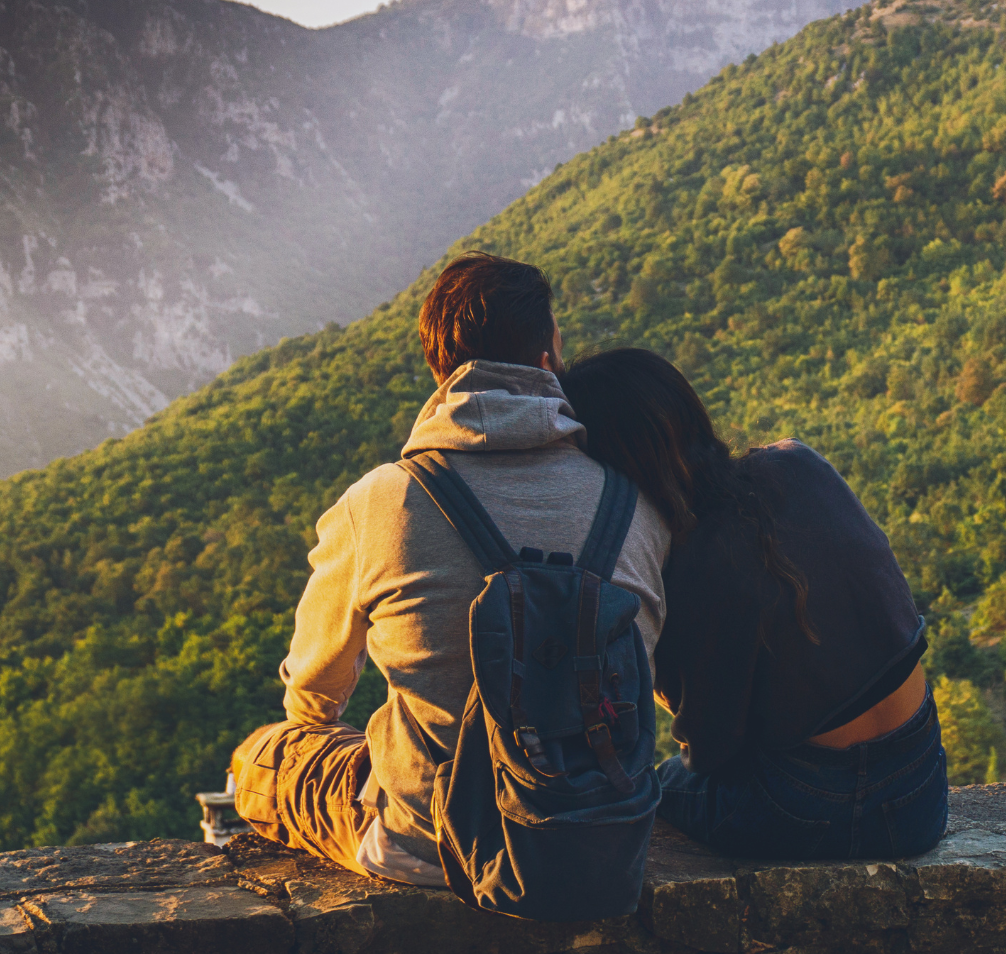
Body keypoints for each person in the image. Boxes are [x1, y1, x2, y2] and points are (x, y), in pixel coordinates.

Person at [230, 253, 670, 883]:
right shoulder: (636, 504)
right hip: (597, 834)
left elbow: (313, 688)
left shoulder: (382, 499)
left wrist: (333, 730)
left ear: (440, 372)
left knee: (263, 757)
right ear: (549, 358)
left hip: (431, 840)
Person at [559, 347, 946, 860]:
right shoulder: (798, 463)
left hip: (808, 806)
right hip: (923, 787)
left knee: (654, 786)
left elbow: (711, 752)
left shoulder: (693, 561)